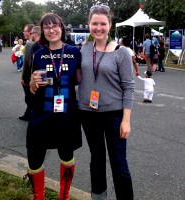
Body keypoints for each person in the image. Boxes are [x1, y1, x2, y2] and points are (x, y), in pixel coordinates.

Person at [77, 5, 134, 200]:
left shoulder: (122, 53)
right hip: (87, 113)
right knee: (97, 159)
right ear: (89, 25)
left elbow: (129, 87)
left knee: (119, 163)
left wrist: (126, 120)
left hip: (114, 115)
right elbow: (74, 77)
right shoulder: (83, 49)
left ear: (110, 25)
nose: (98, 27)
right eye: (95, 23)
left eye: (103, 23)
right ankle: (99, 197)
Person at [25, 13, 82, 200]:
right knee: (34, 158)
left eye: (55, 25)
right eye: (47, 27)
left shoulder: (74, 52)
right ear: (42, 31)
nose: (51, 30)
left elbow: (82, 81)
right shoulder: (38, 53)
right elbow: (32, 87)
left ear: (62, 27)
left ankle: (64, 196)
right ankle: (38, 196)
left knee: (66, 155)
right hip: (41, 113)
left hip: (66, 115)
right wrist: (33, 83)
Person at [19, 26, 41, 121]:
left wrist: (23, 78)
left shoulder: (30, 44)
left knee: (29, 97)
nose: (23, 33)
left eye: (25, 31)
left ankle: (30, 114)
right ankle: (28, 113)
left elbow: (27, 63)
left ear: (31, 32)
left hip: (30, 76)